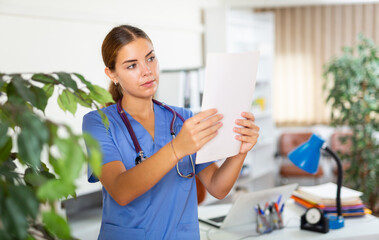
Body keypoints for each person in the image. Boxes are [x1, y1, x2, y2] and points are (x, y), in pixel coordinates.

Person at [82, 25, 260, 240]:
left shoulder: (182, 119)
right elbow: (121, 191)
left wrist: (240, 151)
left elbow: (218, 187)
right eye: (131, 66)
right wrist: (177, 148)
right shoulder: (98, 123)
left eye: (150, 58)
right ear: (112, 74)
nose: (147, 70)